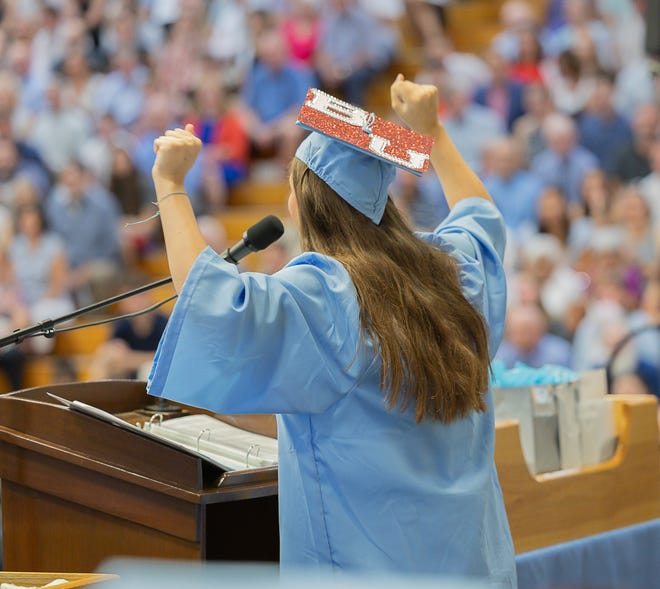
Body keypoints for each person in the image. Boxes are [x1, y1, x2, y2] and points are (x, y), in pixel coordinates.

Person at [146, 76, 515, 584]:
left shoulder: (331, 295)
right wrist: (431, 132)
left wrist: (170, 185)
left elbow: (215, 311)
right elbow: (482, 217)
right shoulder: (453, 274)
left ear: (305, 204)